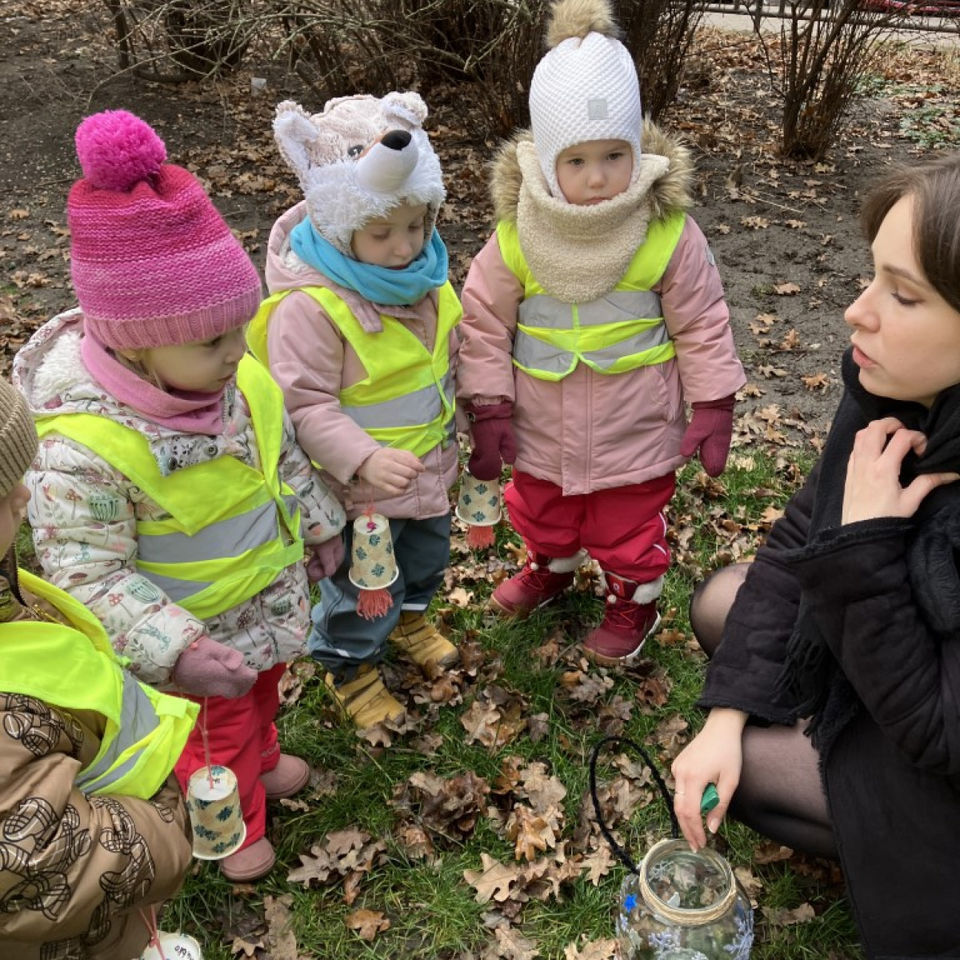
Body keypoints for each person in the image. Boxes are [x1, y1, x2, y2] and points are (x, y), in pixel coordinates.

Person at [14, 109, 346, 883]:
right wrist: (177, 650)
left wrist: (321, 526)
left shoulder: (237, 382)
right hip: (193, 639)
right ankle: (233, 826)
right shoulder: (85, 449)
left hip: (264, 604)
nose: (238, 352)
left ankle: (263, 758)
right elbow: (89, 575)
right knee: (212, 739)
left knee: (261, 693)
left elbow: (281, 463)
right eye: (212, 340)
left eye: (240, 328)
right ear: (136, 344)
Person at [671, 152, 960, 958]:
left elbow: (940, 733)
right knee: (720, 605)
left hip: (941, 751)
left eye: (903, 294)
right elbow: (800, 541)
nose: (855, 312)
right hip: (897, 651)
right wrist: (726, 715)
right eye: (873, 276)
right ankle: (804, 714)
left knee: (753, 778)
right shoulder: (900, 393)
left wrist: (866, 545)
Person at [456, 0, 745, 667]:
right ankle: (550, 566)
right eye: (577, 160)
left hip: (633, 426)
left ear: (637, 150)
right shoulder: (519, 237)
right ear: (546, 162)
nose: (597, 177)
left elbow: (702, 321)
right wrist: (490, 406)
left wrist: (714, 400)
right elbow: (484, 323)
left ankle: (631, 600)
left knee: (626, 525)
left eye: (615, 155)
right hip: (541, 424)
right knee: (542, 510)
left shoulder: (665, 233)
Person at [247, 91, 462, 729]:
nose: (405, 247)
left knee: (423, 560)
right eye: (382, 233)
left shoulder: (425, 280)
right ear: (341, 228)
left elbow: (455, 348)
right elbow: (303, 404)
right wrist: (363, 458)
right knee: (364, 583)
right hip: (360, 491)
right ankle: (348, 662)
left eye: (417, 225)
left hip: (428, 468)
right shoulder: (311, 308)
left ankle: (412, 621)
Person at [0, 376, 198, 959]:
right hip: (59, 938)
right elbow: (36, 865)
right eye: (3, 493)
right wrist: (164, 823)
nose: (24, 496)